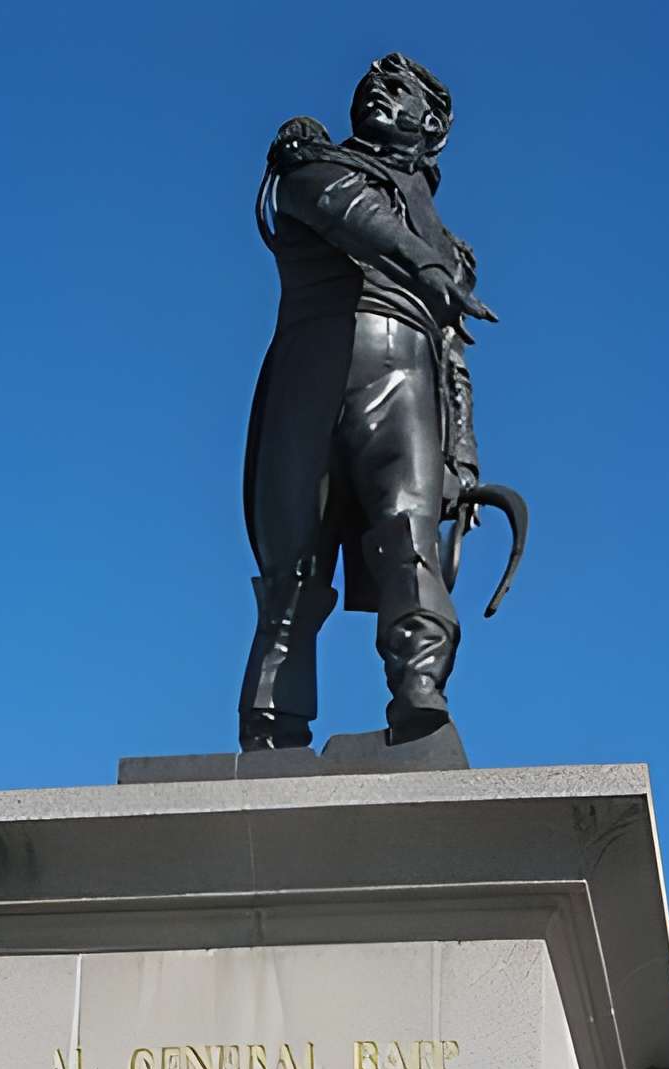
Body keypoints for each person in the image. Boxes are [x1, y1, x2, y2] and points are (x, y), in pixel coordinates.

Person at [241, 54, 495, 750]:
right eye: (370, 86)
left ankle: (420, 691)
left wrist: (463, 458)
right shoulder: (311, 162)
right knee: (292, 556)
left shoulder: (452, 247)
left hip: (406, 379)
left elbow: (453, 358)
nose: (377, 93)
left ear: (432, 122)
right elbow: (346, 214)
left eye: (397, 88)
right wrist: (428, 266)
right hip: (311, 366)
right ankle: (272, 719)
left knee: (408, 538)